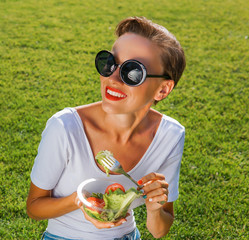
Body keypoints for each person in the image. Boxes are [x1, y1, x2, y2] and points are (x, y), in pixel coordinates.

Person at [26, 16, 186, 240]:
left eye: (132, 72)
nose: (111, 77)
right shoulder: (64, 127)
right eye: (109, 62)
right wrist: (81, 201)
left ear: (162, 90)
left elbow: (159, 230)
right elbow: (34, 207)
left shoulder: (170, 135)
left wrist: (154, 208)